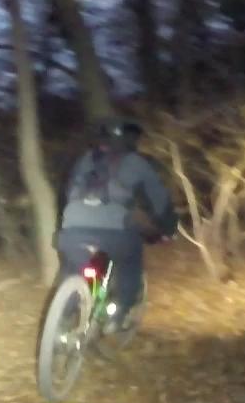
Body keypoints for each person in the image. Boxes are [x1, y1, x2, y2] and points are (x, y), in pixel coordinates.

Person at [53, 119, 177, 330]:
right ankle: (119, 312)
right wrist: (167, 229)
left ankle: (63, 314)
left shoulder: (86, 159)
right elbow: (159, 201)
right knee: (131, 257)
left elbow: (67, 192)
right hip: (114, 233)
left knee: (74, 266)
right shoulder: (136, 163)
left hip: (71, 228)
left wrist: (66, 223)